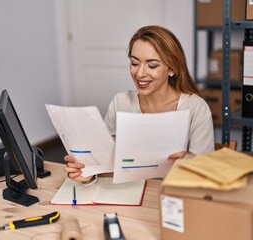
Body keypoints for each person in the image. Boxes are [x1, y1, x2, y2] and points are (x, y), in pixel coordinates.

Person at [64, 25, 214, 183]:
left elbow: (205, 173)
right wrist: (88, 172)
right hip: (127, 193)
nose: (140, 73)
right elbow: (103, 161)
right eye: (135, 63)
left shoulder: (196, 108)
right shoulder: (121, 103)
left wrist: (188, 161)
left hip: (173, 195)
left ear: (172, 68)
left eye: (152, 65)